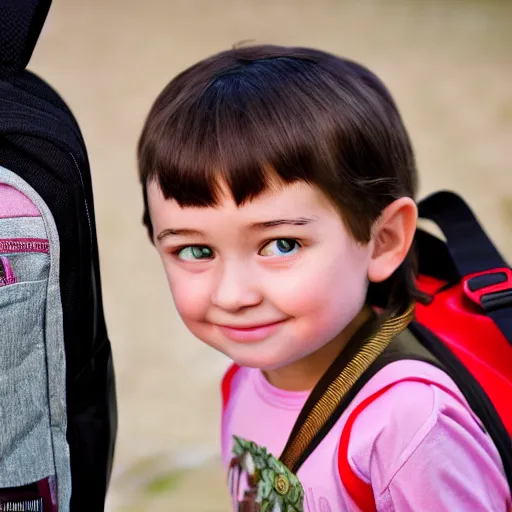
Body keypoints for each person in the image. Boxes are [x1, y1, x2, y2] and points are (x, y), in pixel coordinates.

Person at [136, 45, 509, 511]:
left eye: (281, 245)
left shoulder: (407, 425)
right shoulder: (245, 374)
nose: (233, 295)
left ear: (383, 240)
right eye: (195, 250)